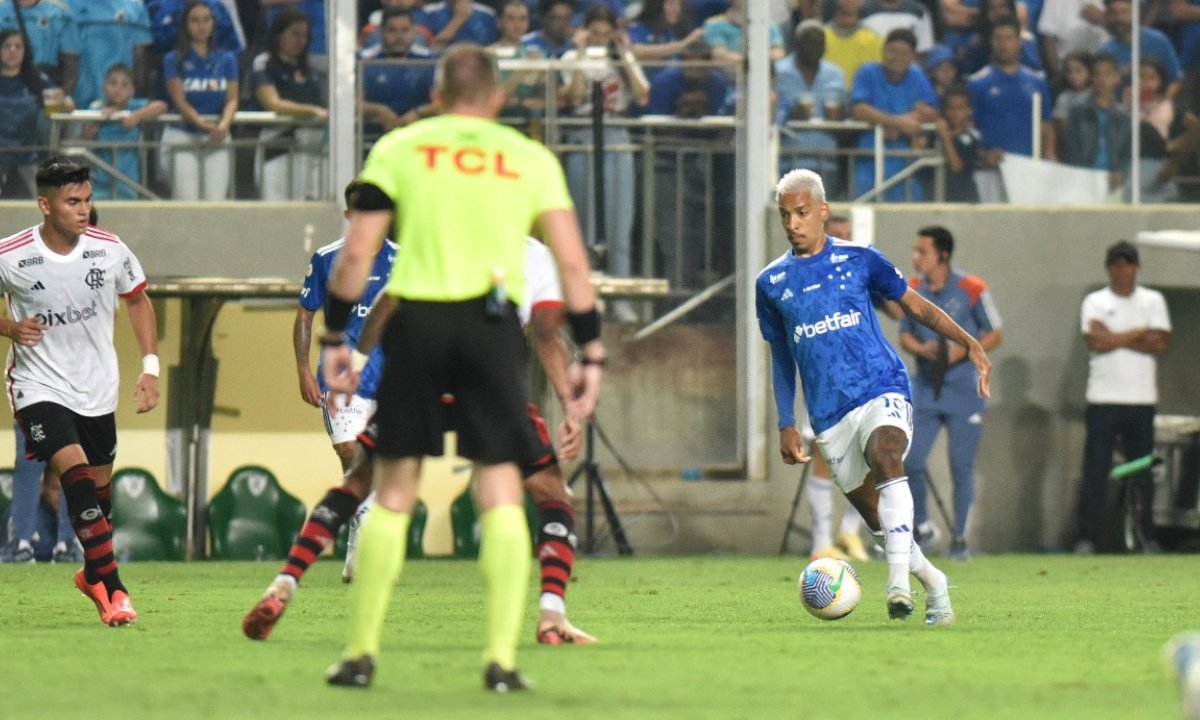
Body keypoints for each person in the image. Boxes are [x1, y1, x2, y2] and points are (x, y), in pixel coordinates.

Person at [318, 44, 604, 691]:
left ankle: (360, 655)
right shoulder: (530, 159)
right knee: (501, 488)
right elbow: (573, 263)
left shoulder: (400, 148)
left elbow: (359, 252)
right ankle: (501, 662)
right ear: (497, 98)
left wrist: (338, 335)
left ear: (439, 97)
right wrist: (593, 351)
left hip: (418, 323)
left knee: (394, 491)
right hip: (491, 327)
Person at [243, 235, 598, 648]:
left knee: (361, 481)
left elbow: (389, 302)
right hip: (489, 372)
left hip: (421, 365)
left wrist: (355, 364)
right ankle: (550, 617)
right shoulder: (532, 252)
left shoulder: (439, 233)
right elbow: (548, 335)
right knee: (550, 493)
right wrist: (571, 410)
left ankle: (286, 586)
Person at [756, 168, 991, 625]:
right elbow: (781, 356)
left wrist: (971, 343)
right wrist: (786, 421)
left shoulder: (862, 259)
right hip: (828, 413)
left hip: (881, 384)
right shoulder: (771, 283)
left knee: (887, 456)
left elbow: (917, 306)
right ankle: (935, 583)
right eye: (786, 215)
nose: (793, 223)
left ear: (822, 212)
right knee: (878, 517)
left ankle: (897, 586)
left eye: (802, 213)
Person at [0, 156, 159, 624]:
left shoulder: (109, 249)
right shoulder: (12, 253)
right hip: (37, 387)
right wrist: (9, 327)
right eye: (73, 201)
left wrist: (149, 368)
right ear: (44, 205)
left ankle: (92, 574)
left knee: (99, 500)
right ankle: (113, 590)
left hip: (97, 390)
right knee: (78, 481)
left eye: (88, 200)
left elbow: (137, 300)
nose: (83, 210)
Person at [899, 226, 1003, 560]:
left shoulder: (973, 288)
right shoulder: (912, 288)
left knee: (961, 465)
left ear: (942, 255)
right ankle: (924, 527)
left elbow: (995, 332)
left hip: (965, 391)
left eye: (922, 251)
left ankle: (960, 539)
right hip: (926, 387)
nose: (915, 258)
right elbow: (904, 335)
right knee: (910, 460)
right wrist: (922, 349)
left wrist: (966, 350)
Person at [1075, 240, 1170, 555]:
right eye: (1116, 263)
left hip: (1141, 401)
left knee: (1143, 474)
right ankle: (1087, 537)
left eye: (1127, 263)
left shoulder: (1152, 300)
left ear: (1136, 267)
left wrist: (1114, 334)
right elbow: (1096, 342)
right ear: (1108, 267)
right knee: (1095, 472)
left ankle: (1146, 537)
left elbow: (1159, 342)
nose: (1121, 269)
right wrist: (1138, 332)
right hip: (1103, 400)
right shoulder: (1095, 301)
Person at [559, 4, 649, 320]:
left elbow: (642, 95)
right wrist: (583, 52)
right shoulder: (572, 59)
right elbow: (573, 96)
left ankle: (621, 299)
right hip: (583, 136)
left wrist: (624, 58)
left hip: (617, 135)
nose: (599, 40)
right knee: (585, 221)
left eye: (604, 34)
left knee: (619, 222)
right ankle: (587, 298)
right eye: (594, 34)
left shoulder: (622, 59)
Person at [801, 212, 869, 564]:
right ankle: (821, 541)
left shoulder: (860, 272)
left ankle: (849, 531)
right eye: (836, 234)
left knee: (875, 457)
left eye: (847, 234)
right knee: (825, 460)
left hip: (864, 380)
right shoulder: (805, 275)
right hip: (825, 380)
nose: (842, 241)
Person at [161, 0, 240, 200]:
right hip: (182, 135)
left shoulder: (227, 59)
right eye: (195, 20)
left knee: (216, 203)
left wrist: (223, 126)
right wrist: (204, 125)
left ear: (214, 23)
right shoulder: (173, 59)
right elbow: (179, 101)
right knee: (187, 201)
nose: (201, 25)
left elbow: (232, 99)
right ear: (186, 25)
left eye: (206, 19)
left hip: (218, 137)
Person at [850, 27, 939, 201]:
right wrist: (897, 123)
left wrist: (917, 117)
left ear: (912, 56)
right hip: (870, 159)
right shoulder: (868, 72)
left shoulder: (917, 75)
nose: (897, 57)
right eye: (892, 51)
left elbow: (932, 111)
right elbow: (859, 109)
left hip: (907, 164)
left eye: (904, 52)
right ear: (883, 52)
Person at [247, 7, 327, 200]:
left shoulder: (310, 70)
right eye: (295, 34)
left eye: (304, 35)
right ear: (279, 34)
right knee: (278, 212)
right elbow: (273, 102)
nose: (300, 40)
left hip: (311, 150)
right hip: (278, 147)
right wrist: (311, 111)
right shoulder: (264, 63)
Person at [774, 20, 845, 190]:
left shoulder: (835, 74)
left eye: (820, 43)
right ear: (797, 44)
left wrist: (840, 115)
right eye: (809, 42)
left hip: (826, 160)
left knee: (823, 214)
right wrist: (789, 114)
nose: (815, 47)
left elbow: (844, 111)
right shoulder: (778, 71)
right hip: (787, 159)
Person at [0, 29, 71, 198]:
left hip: (28, 160)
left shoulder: (36, 79)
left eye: (18, 46)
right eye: (7, 46)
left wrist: (61, 100)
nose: (12, 51)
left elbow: (68, 104)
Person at [82, 63, 166, 200]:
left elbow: (161, 106)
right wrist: (100, 119)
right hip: (100, 180)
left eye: (124, 85)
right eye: (113, 84)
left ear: (131, 90)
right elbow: (85, 136)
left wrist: (136, 116)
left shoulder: (134, 106)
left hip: (127, 179)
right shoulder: (96, 107)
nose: (118, 89)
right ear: (104, 87)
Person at [359, 7, 437, 137]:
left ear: (414, 31)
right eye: (392, 30)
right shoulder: (363, 60)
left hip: (421, 133)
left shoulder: (430, 61)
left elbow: (445, 101)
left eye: (405, 30)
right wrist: (378, 110)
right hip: (373, 132)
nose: (399, 37)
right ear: (381, 31)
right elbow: (350, 101)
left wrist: (418, 112)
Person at [1061, 51, 1130, 192]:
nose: (1102, 79)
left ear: (1117, 78)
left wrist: (1121, 173)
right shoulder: (1078, 111)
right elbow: (1072, 149)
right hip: (1083, 182)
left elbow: (1127, 153)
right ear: (1091, 77)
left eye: (1108, 74)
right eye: (1097, 74)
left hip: (1113, 183)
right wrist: (1080, 176)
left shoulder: (1123, 116)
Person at [68, 0, 153, 110]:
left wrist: (138, 101)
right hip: (81, 99)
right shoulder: (71, 4)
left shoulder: (135, 6)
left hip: (123, 104)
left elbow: (140, 59)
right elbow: (67, 58)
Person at [0, 0, 81, 96]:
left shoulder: (58, 12)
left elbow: (71, 63)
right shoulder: (2, 10)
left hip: (45, 83)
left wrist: (64, 97)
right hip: (6, 83)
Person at [935, 84, 982, 202]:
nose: (954, 113)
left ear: (969, 110)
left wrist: (946, 137)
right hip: (940, 197)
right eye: (950, 107)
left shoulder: (972, 138)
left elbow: (957, 166)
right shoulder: (935, 134)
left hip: (965, 199)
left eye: (960, 108)